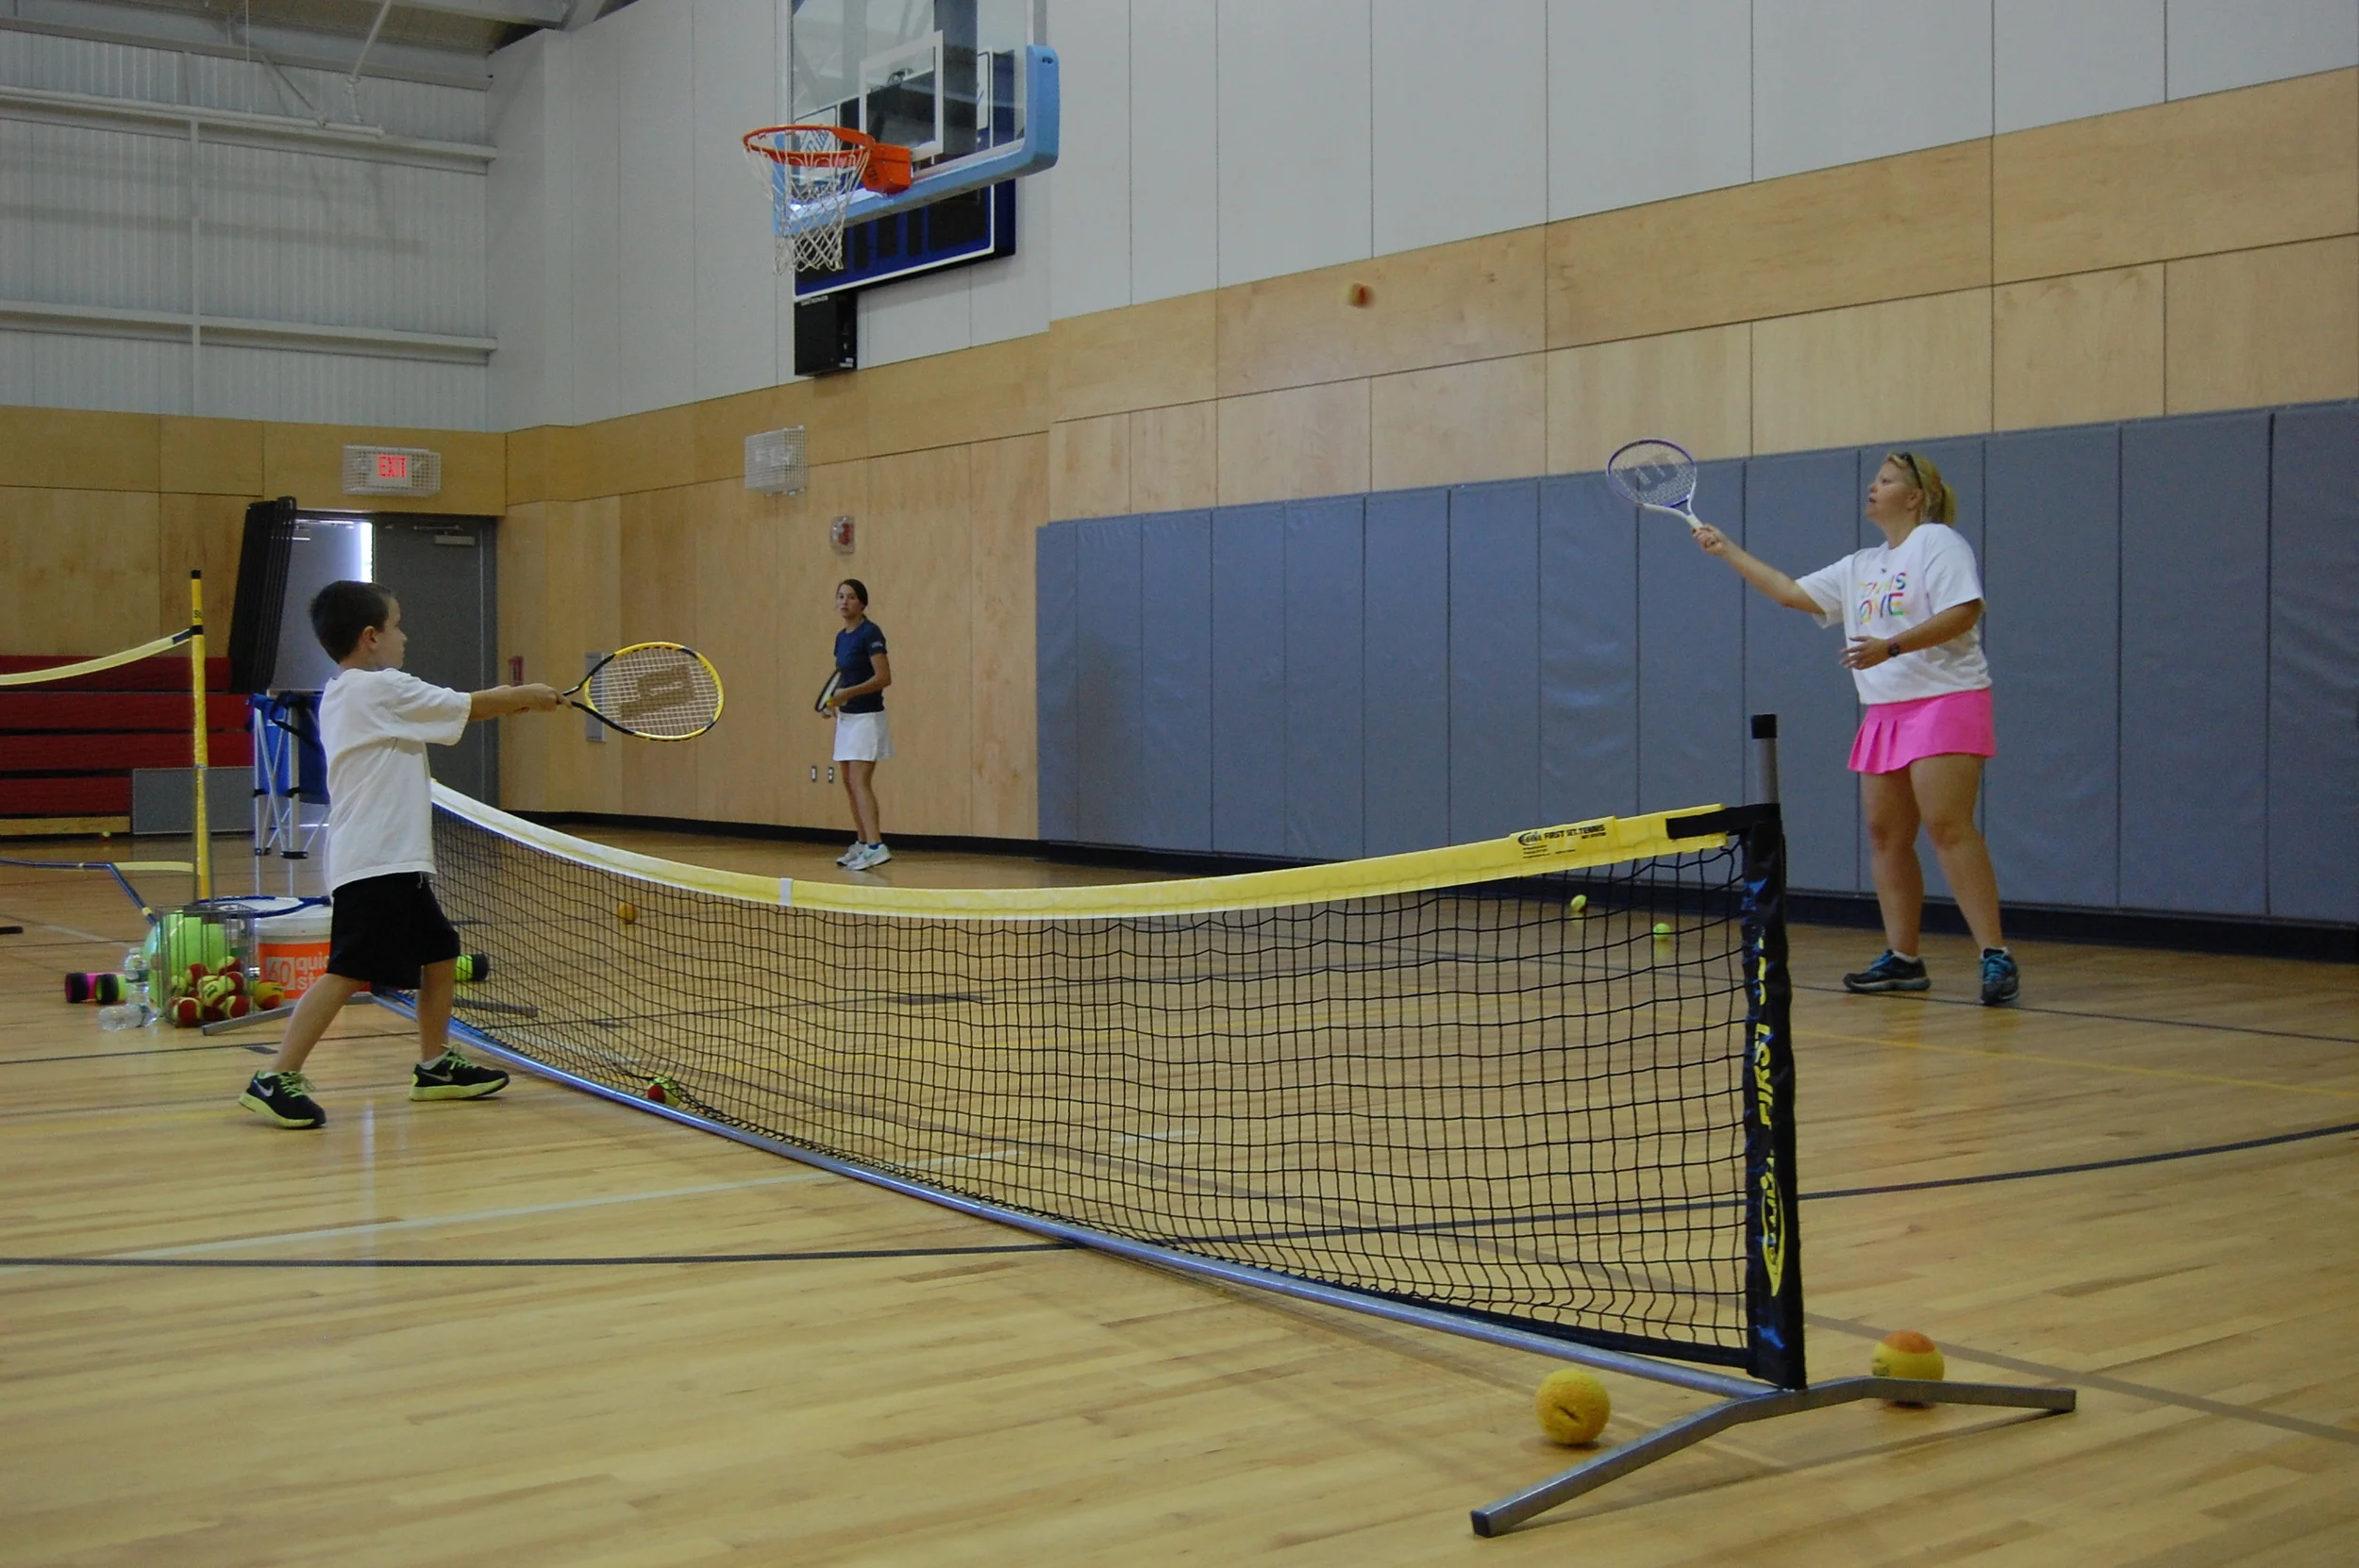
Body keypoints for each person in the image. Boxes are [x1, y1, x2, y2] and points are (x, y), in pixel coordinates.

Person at [1690, 451, 2019, 1006]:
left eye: (1887, 481)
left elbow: (1965, 611)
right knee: (1886, 836)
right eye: (1874, 479)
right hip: (1885, 710)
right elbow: (1792, 593)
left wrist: (1889, 646)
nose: (1873, 487)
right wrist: (1728, 552)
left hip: (1946, 699)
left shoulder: (1937, 543)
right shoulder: (1861, 564)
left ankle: (1994, 954)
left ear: (1914, 498)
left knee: (1947, 826)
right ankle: (1904, 959)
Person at [238, 581, 563, 1128]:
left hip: (393, 860)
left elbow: (454, 714)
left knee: (439, 950)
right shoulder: (378, 689)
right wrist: (528, 694)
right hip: (376, 861)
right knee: (347, 970)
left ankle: (435, 1066)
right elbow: (471, 706)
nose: (404, 636)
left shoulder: (346, 693)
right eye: (397, 625)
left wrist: (517, 702)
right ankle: (274, 1077)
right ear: (371, 637)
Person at [820, 577, 893, 871]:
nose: (844, 601)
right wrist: (831, 702)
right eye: (840, 596)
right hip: (848, 719)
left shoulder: (870, 633)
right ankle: (862, 844)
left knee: (861, 782)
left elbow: (883, 678)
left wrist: (846, 694)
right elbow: (842, 676)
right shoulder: (841, 638)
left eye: (850, 597)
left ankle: (877, 846)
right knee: (849, 783)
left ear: (862, 603)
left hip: (867, 719)